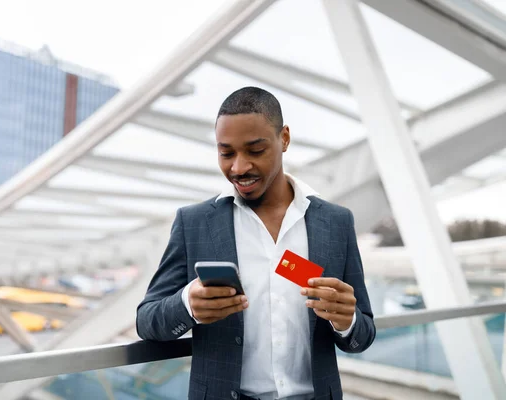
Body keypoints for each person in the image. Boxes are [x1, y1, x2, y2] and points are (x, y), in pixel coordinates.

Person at [136, 87, 375, 400]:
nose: (239, 167)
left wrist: (348, 320)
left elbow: (363, 335)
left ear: (284, 138)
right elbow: (146, 321)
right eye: (226, 153)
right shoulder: (193, 223)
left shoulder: (335, 222)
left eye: (255, 150)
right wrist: (186, 304)